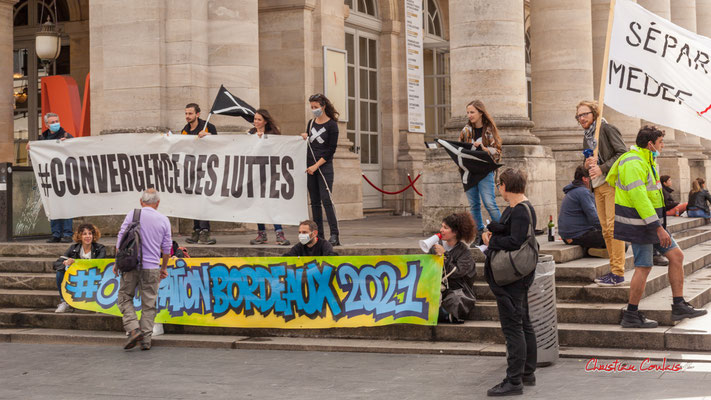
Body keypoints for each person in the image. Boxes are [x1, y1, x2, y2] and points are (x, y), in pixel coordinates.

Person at [606, 126, 707, 328]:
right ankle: (631, 314)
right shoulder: (633, 162)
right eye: (661, 142)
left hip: (652, 224)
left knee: (676, 256)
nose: (662, 146)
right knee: (643, 267)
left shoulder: (646, 160)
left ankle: (679, 305)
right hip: (642, 225)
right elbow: (639, 198)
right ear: (650, 144)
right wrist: (657, 227)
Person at [481, 168, 537, 396]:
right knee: (523, 321)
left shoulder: (521, 209)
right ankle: (526, 372)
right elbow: (512, 229)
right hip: (518, 276)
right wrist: (495, 229)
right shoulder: (518, 207)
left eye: (499, 185)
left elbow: (515, 241)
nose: (498, 189)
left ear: (505, 185)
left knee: (513, 327)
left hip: (513, 277)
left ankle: (514, 381)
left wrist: (491, 242)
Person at [576, 100, 628, 286]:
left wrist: (602, 168)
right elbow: (587, 158)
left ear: (594, 114)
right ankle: (614, 270)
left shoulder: (606, 129)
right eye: (579, 116)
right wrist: (587, 164)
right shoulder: (587, 135)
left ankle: (618, 272)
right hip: (597, 185)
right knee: (605, 230)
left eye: (585, 114)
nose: (581, 118)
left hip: (610, 182)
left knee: (613, 228)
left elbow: (623, 153)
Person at [114, 189, 172, 350]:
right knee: (149, 304)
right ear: (158, 203)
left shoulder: (133, 214)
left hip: (131, 265)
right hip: (152, 267)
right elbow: (167, 249)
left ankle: (133, 329)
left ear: (141, 201)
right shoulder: (164, 220)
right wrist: (164, 267)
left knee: (124, 297)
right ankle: (146, 341)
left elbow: (121, 239)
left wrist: (116, 262)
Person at [459, 100, 502, 245]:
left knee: (489, 203)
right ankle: (478, 233)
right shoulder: (465, 131)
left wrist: (484, 148)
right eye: (468, 112)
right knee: (474, 205)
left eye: (472, 112)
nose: (469, 115)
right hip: (469, 172)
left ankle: (503, 230)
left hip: (485, 171)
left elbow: (497, 152)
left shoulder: (489, 130)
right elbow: (460, 149)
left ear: (481, 113)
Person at [300, 93, 340, 246]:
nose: (314, 110)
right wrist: (305, 137)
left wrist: (316, 165)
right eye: (311, 107)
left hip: (324, 167)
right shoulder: (311, 123)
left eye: (316, 107)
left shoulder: (332, 125)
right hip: (310, 168)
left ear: (323, 107)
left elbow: (331, 150)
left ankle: (335, 234)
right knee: (315, 202)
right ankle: (319, 235)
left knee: (326, 200)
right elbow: (310, 143)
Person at [28, 113, 74, 243]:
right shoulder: (42, 139)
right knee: (53, 206)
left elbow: (76, 152)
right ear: (47, 125)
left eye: (57, 121)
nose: (55, 123)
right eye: (52, 122)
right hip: (49, 178)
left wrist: (70, 144)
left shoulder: (67, 136)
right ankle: (56, 234)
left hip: (65, 178)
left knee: (66, 206)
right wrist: (30, 150)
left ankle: (67, 233)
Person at [248, 109, 290, 246]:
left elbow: (277, 150)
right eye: (254, 119)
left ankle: (279, 232)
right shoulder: (250, 133)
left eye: (259, 119)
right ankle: (261, 233)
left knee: (271, 203)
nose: (256, 122)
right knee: (257, 203)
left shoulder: (272, 135)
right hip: (254, 172)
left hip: (269, 172)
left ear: (265, 121)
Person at [429, 213, 477, 323]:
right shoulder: (435, 247)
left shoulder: (464, 252)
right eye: (441, 226)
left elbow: (457, 272)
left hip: (455, 288)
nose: (441, 230)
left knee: (457, 299)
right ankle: (443, 314)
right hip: (435, 285)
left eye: (445, 228)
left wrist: (445, 255)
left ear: (455, 232)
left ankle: (444, 314)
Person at [181, 103, 218, 245]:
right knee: (194, 201)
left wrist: (208, 136)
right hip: (191, 170)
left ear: (197, 114)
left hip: (207, 169)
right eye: (186, 113)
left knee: (203, 201)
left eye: (190, 113)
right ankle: (196, 230)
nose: (187, 116)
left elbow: (221, 144)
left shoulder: (208, 126)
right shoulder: (184, 130)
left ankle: (204, 231)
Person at [53, 223, 106, 313]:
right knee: (60, 272)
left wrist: (76, 262)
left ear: (93, 235)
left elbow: (99, 263)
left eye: (90, 233)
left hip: (93, 277)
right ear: (80, 236)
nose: (88, 236)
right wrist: (66, 262)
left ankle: (98, 302)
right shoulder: (73, 248)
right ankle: (64, 302)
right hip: (78, 278)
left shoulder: (100, 248)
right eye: (84, 234)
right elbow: (56, 264)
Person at [558, 165, 606, 258]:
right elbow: (594, 217)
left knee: (616, 238)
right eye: (592, 177)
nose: (594, 180)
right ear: (585, 179)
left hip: (569, 236)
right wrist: (606, 230)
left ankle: (592, 250)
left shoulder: (574, 191)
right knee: (617, 238)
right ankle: (589, 251)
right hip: (577, 235)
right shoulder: (583, 192)